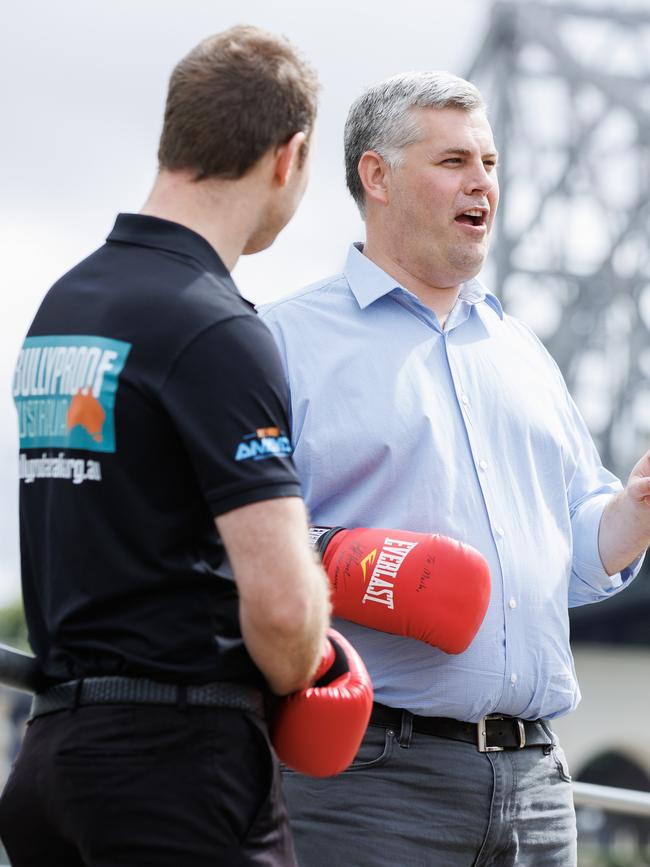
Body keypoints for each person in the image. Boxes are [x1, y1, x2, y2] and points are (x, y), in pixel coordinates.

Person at [258, 71, 650, 866]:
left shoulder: (523, 352)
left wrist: (633, 515)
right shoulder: (282, 340)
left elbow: (570, 555)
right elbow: (235, 539)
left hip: (539, 783)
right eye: (453, 161)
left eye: (493, 163)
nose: (484, 183)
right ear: (377, 176)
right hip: (369, 778)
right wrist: (358, 562)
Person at [0, 26, 336, 867]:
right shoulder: (217, 326)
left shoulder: (65, 305)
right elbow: (287, 612)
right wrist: (314, 658)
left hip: (49, 766)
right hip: (176, 771)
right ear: (288, 157)